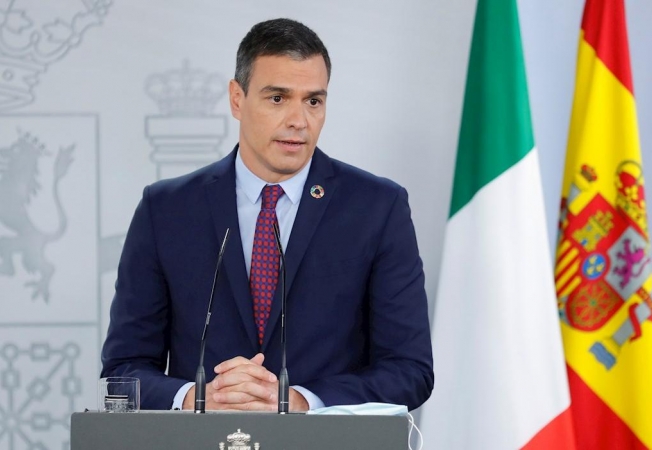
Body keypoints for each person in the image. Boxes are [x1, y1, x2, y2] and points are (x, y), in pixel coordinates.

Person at [101, 18, 433, 412]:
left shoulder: (377, 207)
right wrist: (198, 398)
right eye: (278, 98)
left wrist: (300, 401)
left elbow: (410, 371)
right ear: (237, 99)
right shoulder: (167, 209)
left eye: (313, 100)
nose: (298, 120)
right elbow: (122, 373)